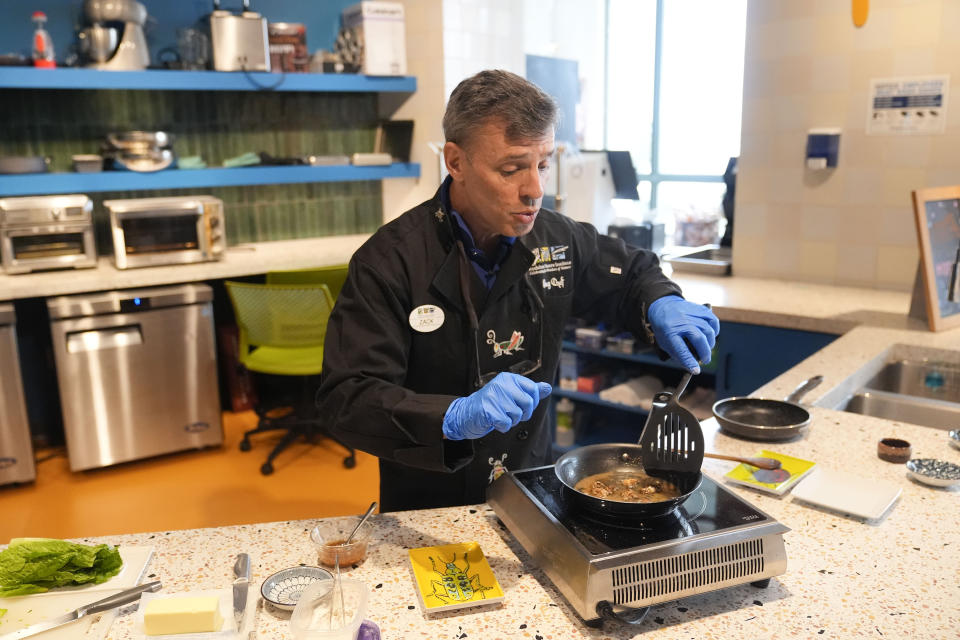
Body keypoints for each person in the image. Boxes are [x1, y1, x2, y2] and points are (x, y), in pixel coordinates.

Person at [316, 70, 719, 512]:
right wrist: (451, 419)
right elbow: (347, 397)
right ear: (455, 162)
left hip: (533, 488)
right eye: (511, 169)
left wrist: (661, 300)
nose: (535, 190)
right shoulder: (390, 261)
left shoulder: (555, 238)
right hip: (432, 500)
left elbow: (632, 271)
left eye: (543, 164)